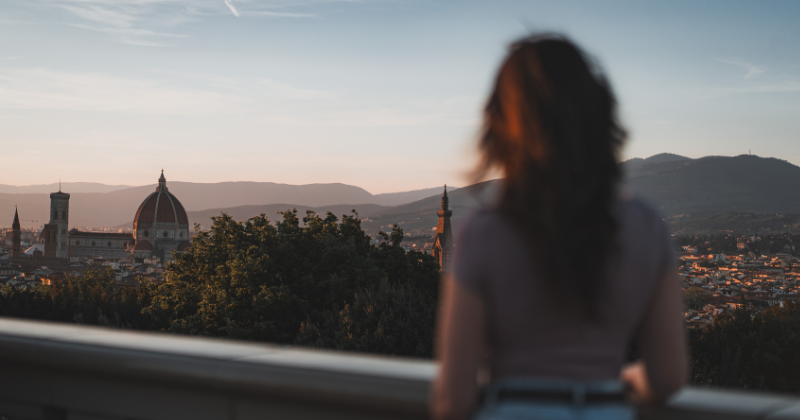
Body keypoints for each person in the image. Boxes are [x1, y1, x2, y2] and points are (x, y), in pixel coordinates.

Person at [431, 34, 688, 420]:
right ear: (599, 115)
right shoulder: (646, 226)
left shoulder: (483, 232)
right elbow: (668, 377)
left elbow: (454, 399)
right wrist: (625, 379)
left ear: (500, 125)